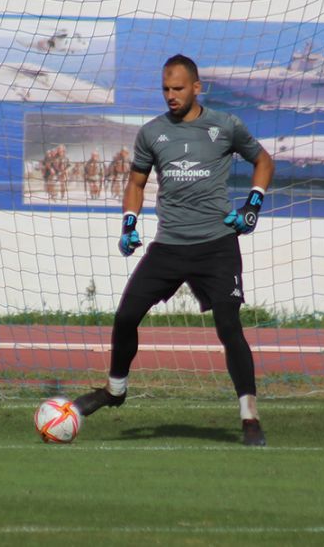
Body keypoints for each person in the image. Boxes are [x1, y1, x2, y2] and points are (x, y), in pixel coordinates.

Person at [73, 54, 275, 446]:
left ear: (197, 88)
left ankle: (250, 417)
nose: (170, 95)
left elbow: (263, 160)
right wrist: (129, 224)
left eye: (178, 88)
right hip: (169, 246)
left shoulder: (225, 126)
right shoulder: (151, 133)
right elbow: (135, 183)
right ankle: (115, 390)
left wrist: (252, 206)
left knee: (229, 327)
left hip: (217, 246)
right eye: (165, 89)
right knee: (126, 315)